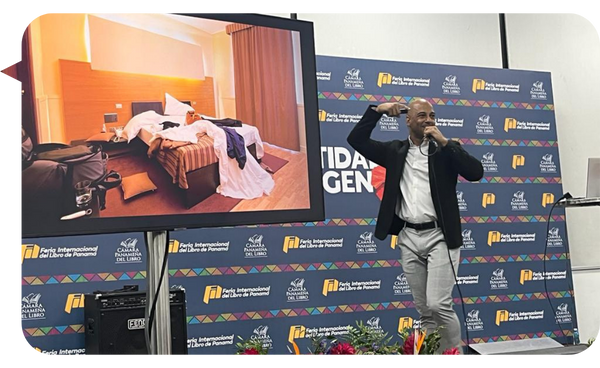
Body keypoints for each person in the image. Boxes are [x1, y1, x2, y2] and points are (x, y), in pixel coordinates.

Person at [347, 99, 483, 356]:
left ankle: (454, 354)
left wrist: (445, 142)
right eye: (421, 115)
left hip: (440, 237)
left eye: (432, 115)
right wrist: (376, 111)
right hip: (409, 237)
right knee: (425, 312)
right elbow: (357, 139)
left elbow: (476, 172)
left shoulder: (446, 151)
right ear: (407, 120)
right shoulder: (395, 151)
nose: (428, 120)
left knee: (439, 304)